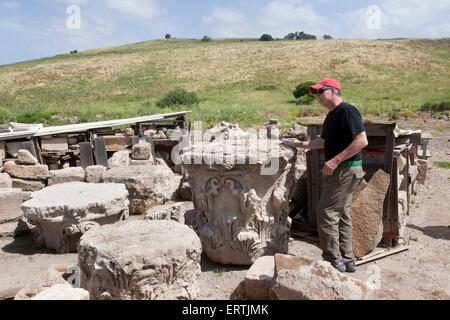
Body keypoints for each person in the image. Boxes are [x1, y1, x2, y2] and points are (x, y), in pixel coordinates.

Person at [282, 78, 368, 272]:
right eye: (316, 93)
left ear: (334, 90)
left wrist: (334, 160)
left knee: (325, 212)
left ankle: (331, 260)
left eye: (321, 92)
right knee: (342, 213)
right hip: (345, 169)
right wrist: (298, 144)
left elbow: (362, 141)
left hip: (346, 168)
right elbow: (323, 142)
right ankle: (347, 259)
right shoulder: (332, 115)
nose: (317, 96)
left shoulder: (347, 111)